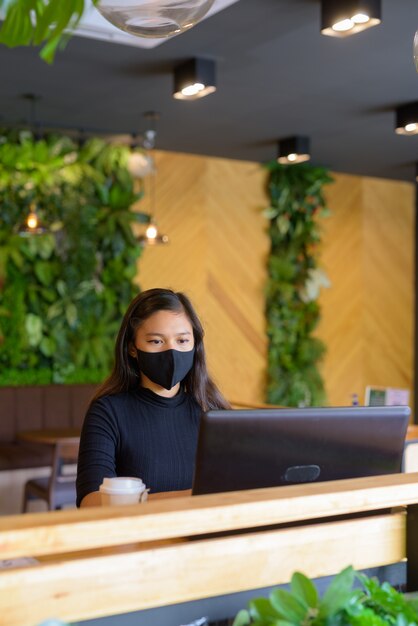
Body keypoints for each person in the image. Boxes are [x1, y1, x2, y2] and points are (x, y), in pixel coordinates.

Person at [76, 288, 229, 507]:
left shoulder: (213, 412)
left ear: (195, 345)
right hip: (138, 538)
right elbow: (90, 501)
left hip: (203, 537)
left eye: (182, 341)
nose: (172, 351)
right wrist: (191, 496)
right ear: (132, 348)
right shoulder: (107, 412)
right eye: (156, 341)